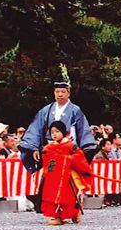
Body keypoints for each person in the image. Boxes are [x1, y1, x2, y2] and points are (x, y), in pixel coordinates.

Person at [18, 74, 96, 217]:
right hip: (51, 151)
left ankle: (71, 211)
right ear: (54, 93)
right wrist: (34, 148)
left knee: (68, 184)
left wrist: (84, 150)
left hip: (68, 151)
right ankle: (52, 212)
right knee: (50, 184)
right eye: (57, 92)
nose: (60, 94)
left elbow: (82, 130)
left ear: (69, 93)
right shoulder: (46, 110)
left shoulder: (75, 110)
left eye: (63, 92)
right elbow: (35, 129)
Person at [39, 121, 93, 226]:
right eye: (52, 132)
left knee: (68, 196)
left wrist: (67, 159)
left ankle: (73, 213)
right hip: (52, 177)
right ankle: (56, 216)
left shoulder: (71, 146)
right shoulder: (48, 148)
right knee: (51, 195)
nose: (54, 134)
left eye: (57, 131)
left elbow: (80, 156)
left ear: (63, 132)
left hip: (67, 176)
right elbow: (46, 161)